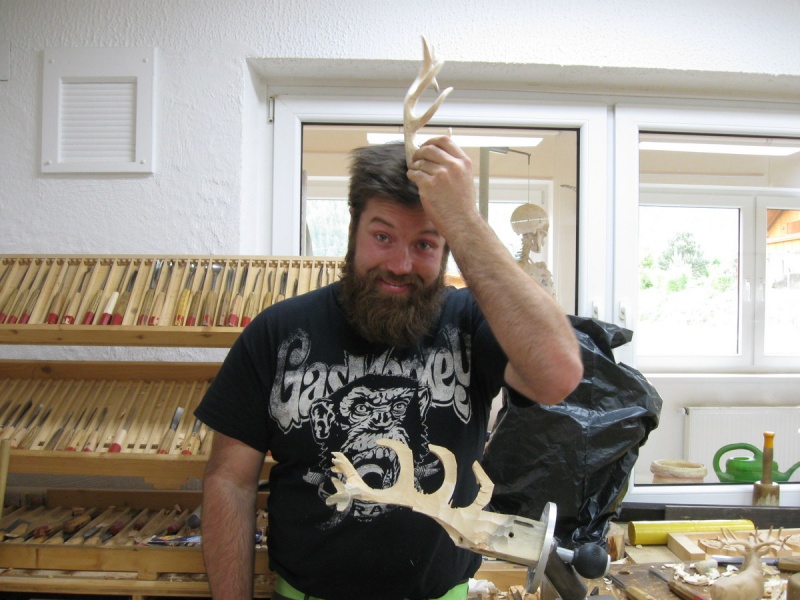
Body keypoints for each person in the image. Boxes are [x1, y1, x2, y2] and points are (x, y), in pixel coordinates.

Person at [194, 137, 583, 600]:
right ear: (353, 229)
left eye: (425, 243)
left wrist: (464, 219)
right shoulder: (278, 333)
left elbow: (558, 375)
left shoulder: (471, 325)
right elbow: (230, 481)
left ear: (448, 247)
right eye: (383, 237)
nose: (400, 265)